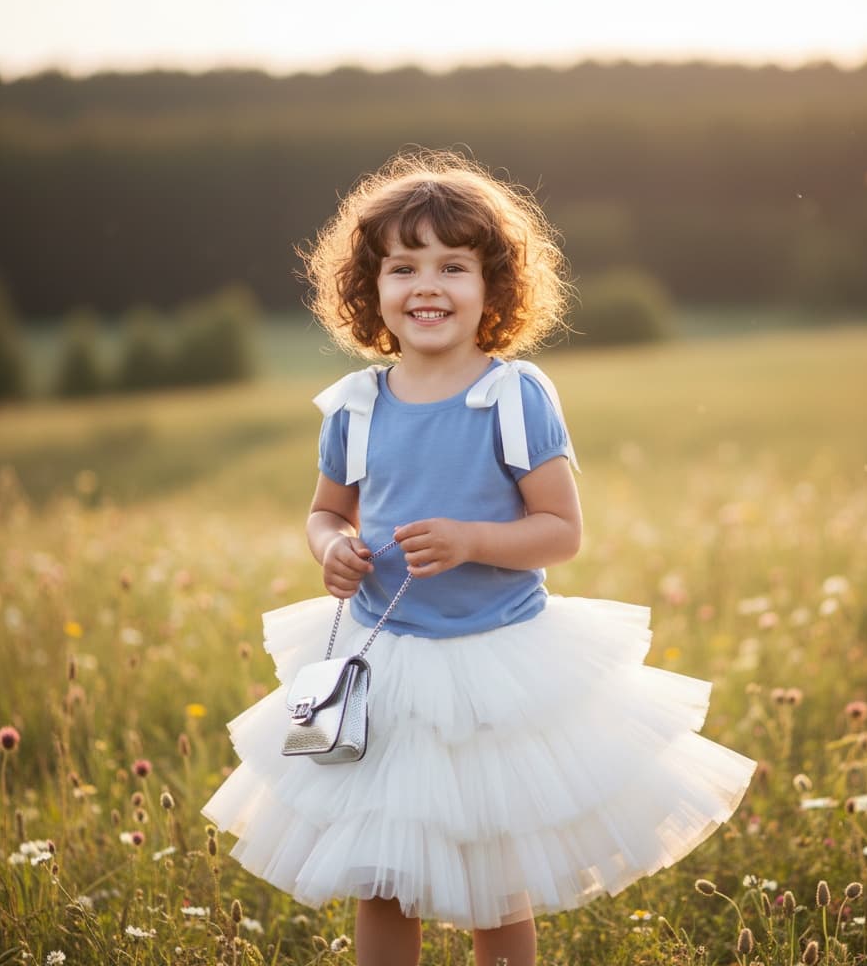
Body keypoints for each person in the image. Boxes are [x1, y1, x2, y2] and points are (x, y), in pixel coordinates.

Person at [201, 149, 756, 966]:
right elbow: (325, 512)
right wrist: (334, 551)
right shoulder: (356, 407)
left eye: (453, 265)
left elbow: (561, 530)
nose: (427, 285)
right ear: (371, 288)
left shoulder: (511, 394)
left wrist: (472, 541)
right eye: (403, 267)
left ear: (494, 286)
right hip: (383, 665)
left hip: (496, 667)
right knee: (383, 872)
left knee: (497, 872)